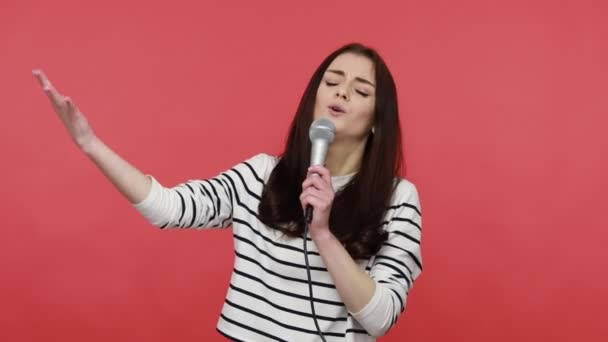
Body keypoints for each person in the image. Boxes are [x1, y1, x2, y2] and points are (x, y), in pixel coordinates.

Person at [33, 42, 422, 342]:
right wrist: (89, 143)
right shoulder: (261, 174)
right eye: (332, 82)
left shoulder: (398, 199)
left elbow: (380, 317)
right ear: (314, 100)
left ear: (377, 121)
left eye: (361, 90)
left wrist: (323, 234)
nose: (341, 93)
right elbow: (168, 208)